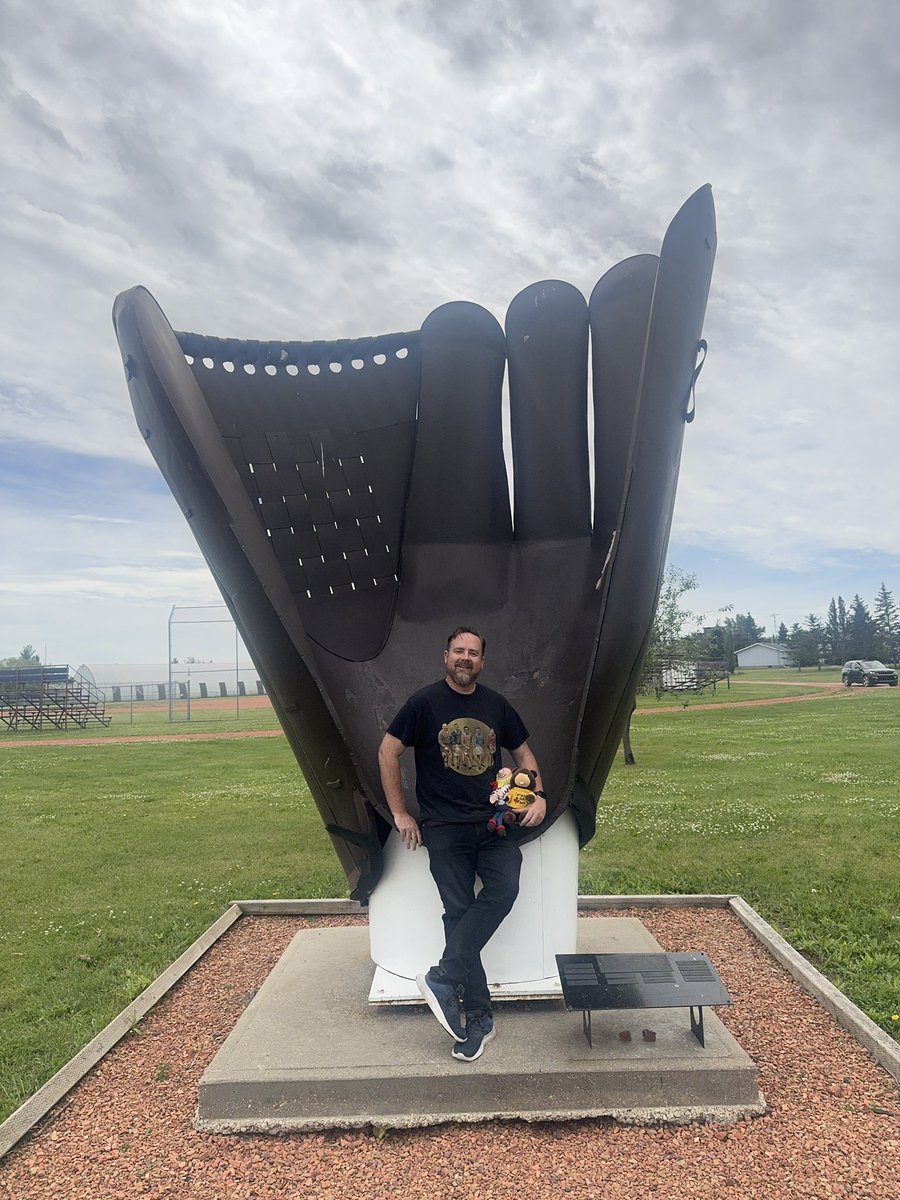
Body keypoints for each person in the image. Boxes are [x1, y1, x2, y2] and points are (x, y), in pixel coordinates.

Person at [378, 626, 546, 1062]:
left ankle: (444, 976)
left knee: (503, 891)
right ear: (445, 656)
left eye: (473, 652)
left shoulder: (496, 705)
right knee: (458, 913)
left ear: (482, 661)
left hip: (494, 826)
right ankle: (478, 1018)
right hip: (445, 829)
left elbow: (524, 756)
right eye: (458, 651)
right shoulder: (424, 703)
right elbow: (387, 751)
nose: (465, 658)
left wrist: (537, 797)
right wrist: (400, 812)